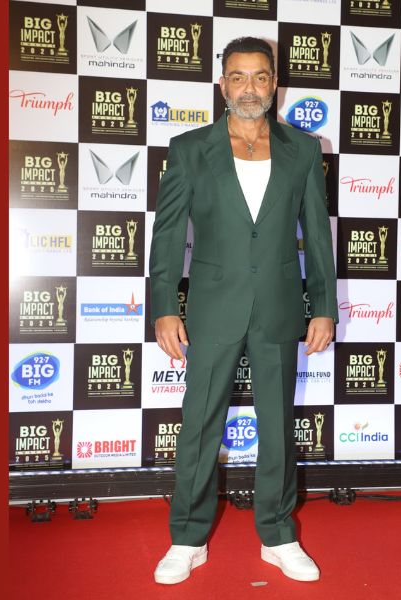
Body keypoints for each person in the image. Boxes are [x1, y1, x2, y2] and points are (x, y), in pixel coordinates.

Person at [148, 36, 338, 585]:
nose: (248, 87)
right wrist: (165, 306)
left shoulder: (304, 149)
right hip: (213, 305)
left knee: (277, 426)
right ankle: (187, 538)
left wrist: (323, 306)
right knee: (199, 425)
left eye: (259, 76)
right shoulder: (189, 148)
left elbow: (317, 236)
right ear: (222, 84)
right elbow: (167, 237)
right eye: (237, 76)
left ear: (274, 83)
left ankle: (278, 536)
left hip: (279, 304)